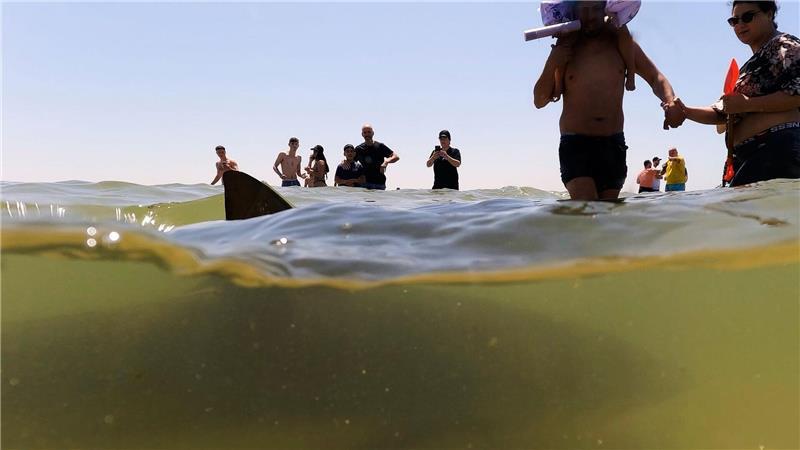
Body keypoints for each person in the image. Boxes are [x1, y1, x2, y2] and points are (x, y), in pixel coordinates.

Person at [533, 0, 683, 201]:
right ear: (573, 9)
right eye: (583, 9)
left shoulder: (621, 44)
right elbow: (539, 100)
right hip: (576, 144)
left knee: (607, 213)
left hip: (613, 145)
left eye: (595, 8)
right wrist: (553, 61)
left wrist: (670, 101)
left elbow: (656, 77)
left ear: (606, 6)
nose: (589, 17)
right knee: (586, 206)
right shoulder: (566, 47)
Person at [674, 0, 800, 187]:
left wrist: (747, 104)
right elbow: (723, 112)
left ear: (769, 14)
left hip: (776, 148)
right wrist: (685, 111)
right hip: (750, 155)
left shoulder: (785, 45)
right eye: (734, 20)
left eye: (748, 17)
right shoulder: (748, 68)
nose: (740, 24)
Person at [354, 124, 400, 190]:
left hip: (379, 183)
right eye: (365, 132)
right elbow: (351, 162)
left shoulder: (380, 146)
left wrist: (386, 162)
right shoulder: (359, 149)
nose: (367, 134)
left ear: (373, 133)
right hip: (364, 184)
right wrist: (343, 162)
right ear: (362, 134)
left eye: (369, 132)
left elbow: (396, 157)